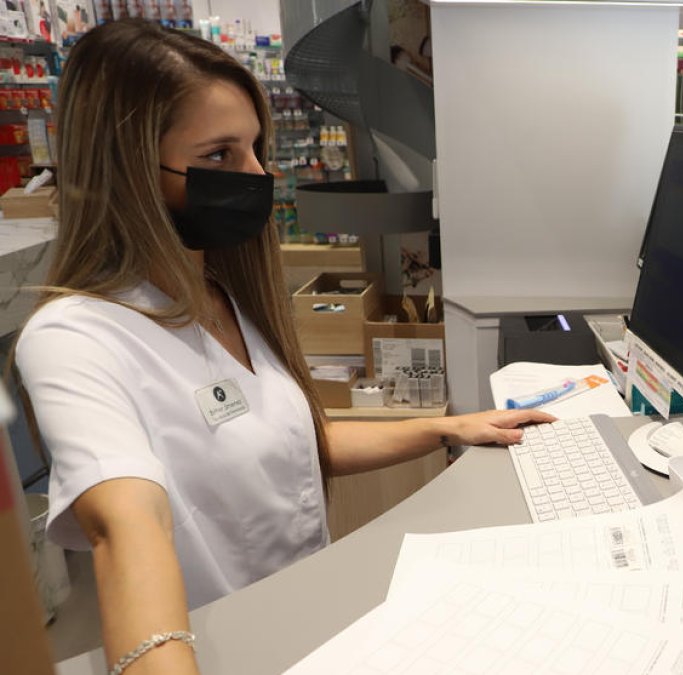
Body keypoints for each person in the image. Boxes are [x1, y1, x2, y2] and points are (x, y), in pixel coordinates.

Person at [13, 19, 553, 675]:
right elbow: (127, 527)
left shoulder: (221, 293)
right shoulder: (75, 338)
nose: (256, 174)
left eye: (255, 148)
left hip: (304, 625)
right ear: (126, 169)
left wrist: (448, 426)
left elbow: (295, 441)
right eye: (219, 155)